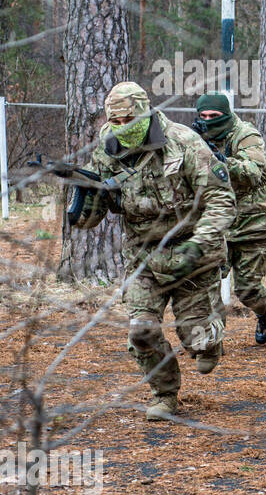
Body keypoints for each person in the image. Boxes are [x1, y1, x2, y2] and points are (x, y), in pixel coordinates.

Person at [71, 82, 236, 421]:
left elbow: (222, 199)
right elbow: (91, 221)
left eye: (130, 119)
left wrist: (199, 244)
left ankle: (208, 340)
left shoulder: (183, 142)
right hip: (143, 255)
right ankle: (164, 395)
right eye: (116, 122)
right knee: (141, 331)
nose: (123, 127)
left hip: (193, 252)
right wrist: (84, 201)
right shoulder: (106, 151)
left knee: (199, 343)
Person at [192, 92, 266, 344]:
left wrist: (218, 160)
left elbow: (252, 173)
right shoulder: (195, 138)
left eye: (214, 116)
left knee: (248, 290)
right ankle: (212, 340)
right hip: (217, 224)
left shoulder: (245, 134)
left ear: (226, 115)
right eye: (203, 116)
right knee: (206, 285)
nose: (208, 121)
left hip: (252, 224)